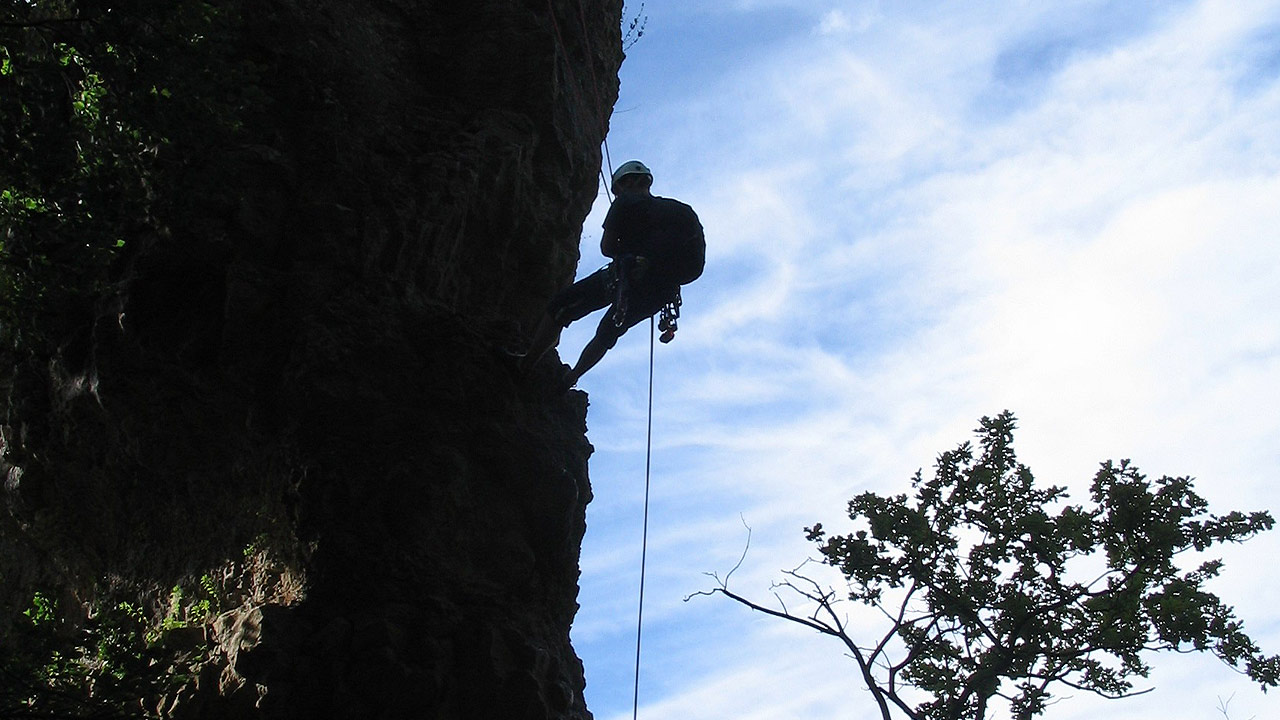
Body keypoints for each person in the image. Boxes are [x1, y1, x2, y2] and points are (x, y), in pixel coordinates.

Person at [520, 160, 704, 391]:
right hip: (658, 292)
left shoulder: (626, 203)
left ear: (628, 182)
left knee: (562, 306)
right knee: (608, 333)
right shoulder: (680, 211)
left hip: (625, 276)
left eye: (618, 189)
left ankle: (526, 364)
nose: (618, 195)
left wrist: (628, 253)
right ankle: (569, 379)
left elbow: (606, 248)